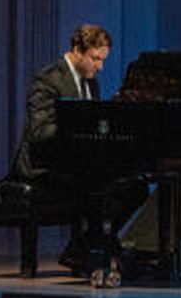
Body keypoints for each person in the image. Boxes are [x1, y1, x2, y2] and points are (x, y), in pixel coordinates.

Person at [8, 23, 112, 273]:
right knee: (95, 188)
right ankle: (91, 252)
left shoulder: (91, 83)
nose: (100, 67)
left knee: (131, 187)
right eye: (95, 59)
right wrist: (75, 129)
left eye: (102, 60)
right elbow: (39, 131)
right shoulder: (49, 78)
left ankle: (82, 248)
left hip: (74, 164)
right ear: (77, 49)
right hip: (41, 167)